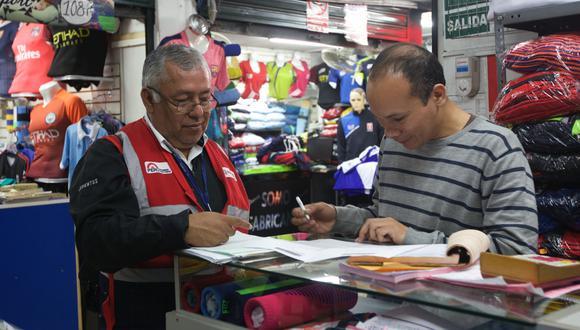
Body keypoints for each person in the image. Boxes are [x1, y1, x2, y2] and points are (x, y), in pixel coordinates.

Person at [292, 43, 538, 255]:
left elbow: (516, 251)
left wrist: (409, 237)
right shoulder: (393, 143)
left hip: (461, 305)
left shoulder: (496, 148)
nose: (389, 132)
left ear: (438, 95)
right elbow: (385, 218)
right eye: (381, 121)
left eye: (398, 119)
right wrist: (338, 218)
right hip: (391, 300)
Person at [70, 44, 251, 330]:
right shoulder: (112, 154)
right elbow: (95, 242)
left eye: (205, 99)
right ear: (149, 99)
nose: (198, 112)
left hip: (219, 312)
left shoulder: (218, 155)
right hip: (147, 316)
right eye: (182, 100)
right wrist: (181, 229)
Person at [336, 88, 383, 163]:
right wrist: (342, 164)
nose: (356, 102)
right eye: (353, 100)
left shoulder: (375, 118)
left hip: (372, 163)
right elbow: (341, 146)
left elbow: (382, 141)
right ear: (350, 101)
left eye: (358, 99)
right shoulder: (344, 120)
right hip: (352, 164)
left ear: (364, 100)